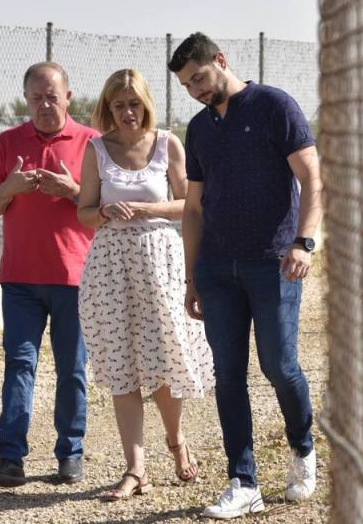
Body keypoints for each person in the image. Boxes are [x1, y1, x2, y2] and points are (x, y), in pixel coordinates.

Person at [168, 33, 323, 519]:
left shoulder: (274, 105)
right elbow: (192, 208)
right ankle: (243, 481)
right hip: (216, 268)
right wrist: (192, 278)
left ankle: (302, 447)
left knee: (278, 365)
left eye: (198, 78)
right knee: (228, 374)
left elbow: (312, 177)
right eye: (186, 85)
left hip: (273, 262)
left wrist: (304, 241)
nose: (194, 90)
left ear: (220, 60)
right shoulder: (199, 129)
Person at [76, 68, 215, 500]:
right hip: (110, 266)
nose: (127, 112)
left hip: (161, 261)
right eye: (119, 105)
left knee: (161, 363)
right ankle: (135, 469)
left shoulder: (167, 143)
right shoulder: (96, 149)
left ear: (146, 105)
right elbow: (83, 211)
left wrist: (144, 208)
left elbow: (191, 204)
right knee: (122, 368)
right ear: (108, 108)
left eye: (134, 104)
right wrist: (104, 214)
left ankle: (176, 442)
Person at [0, 62, 97, 486]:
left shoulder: (93, 143)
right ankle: (10, 458)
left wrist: (72, 191)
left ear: (69, 96)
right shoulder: (8, 143)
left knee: (73, 369)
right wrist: (9, 188)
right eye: (36, 98)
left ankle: (71, 454)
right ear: (25, 100)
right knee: (19, 364)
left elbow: (111, 213)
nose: (45, 105)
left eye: (53, 96)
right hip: (21, 280)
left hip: (75, 277)